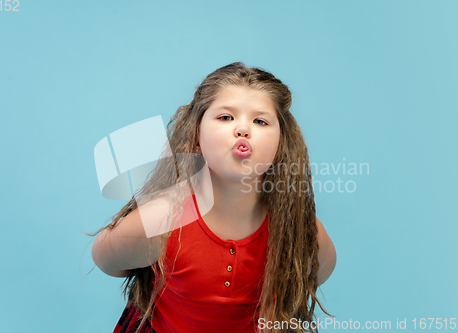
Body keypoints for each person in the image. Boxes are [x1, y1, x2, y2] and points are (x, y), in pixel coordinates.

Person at [89, 62, 337, 333]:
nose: (243, 130)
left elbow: (314, 273)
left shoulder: (298, 229)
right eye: (226, 118)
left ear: (281, 146)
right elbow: (106, 258)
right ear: (196, 135)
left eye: (260, 121)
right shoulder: (163, 218)